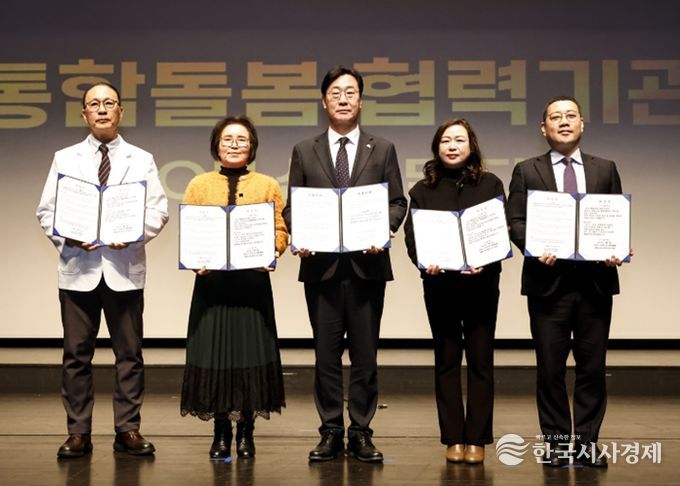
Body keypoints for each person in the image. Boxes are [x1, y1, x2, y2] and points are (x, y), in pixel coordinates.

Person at [36, 82, 169, 458]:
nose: (102, 109)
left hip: (123, 269)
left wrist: (131, 234)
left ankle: (128, 428)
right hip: (78, 268)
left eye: (109, 103)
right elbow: (46, 211)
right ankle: (78, 431)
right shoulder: (65, 158)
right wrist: (69, 236)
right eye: (94, 104)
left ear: (121, 111)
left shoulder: (141, 159)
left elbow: (158, 210)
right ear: (84, 114)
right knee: (76, 356)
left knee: (129, 355)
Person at [282, 66, 407, 463]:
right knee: (325, 356)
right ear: (324, 101)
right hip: (321, 269)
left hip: (367, 266)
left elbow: (397, 202)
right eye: (335, 92)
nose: (342, 99)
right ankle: (331, 431)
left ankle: (362, 431)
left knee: (366, 356)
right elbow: (292, 206)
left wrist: (383, 229)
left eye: (350, 92)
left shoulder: (382, 148)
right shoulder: (305, 150)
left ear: (360, 100)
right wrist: (301, 234)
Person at [508, 95, 628, 468]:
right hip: (548, 284)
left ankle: (588, 443)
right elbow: (515, 221)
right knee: (550, 370)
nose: (564, 121)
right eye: (556, 117)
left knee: (592, 369)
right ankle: (558, 443)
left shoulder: (605, 168)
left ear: (582, 124)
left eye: (570, 115)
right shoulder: (526, 170)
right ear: (543, 128)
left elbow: (614, 216)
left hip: (595, 284)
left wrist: (616, 248)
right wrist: (535, 247)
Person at [180, 115, 288, 461]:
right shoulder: (199, 185)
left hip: (251, 285)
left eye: (242, 139)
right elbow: (191, 230)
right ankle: (221, 430)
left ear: (252, 146)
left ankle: (246, 430)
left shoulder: (267, 185)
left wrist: (273, 250)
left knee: (249, 356)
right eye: (227, 139)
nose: (234, 145)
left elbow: (280, 229)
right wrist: (194, 258)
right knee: (215, 355)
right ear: (216, 145)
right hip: (211, 286)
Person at [404, 119, 505, 465]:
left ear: (471, 146)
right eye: (446, 140)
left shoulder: (490, 184)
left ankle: (476, 438)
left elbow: (498, 231)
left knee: (480, 360)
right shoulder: (422, 190)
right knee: (446, 360)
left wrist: (485, 260)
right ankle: (452, 437)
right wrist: (426, 263)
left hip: (481, 285)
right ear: (437, 148)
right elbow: (413, 239)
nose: (452, 146)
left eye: (459, 140)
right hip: (440, 286)